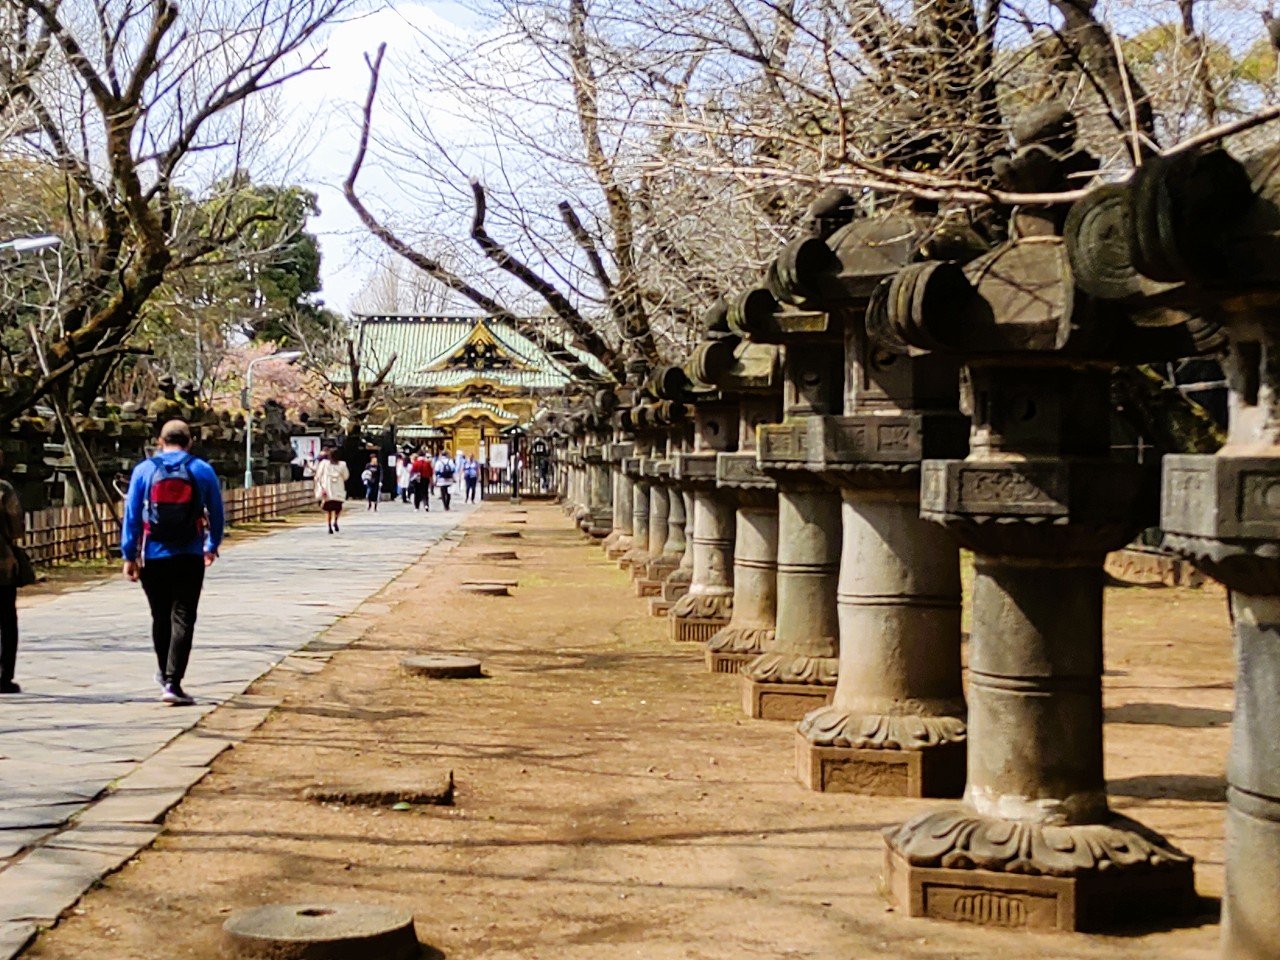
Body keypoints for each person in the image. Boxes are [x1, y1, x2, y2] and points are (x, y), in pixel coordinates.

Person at [122, 419, 225, 706]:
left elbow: (131, 516)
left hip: (154, 556)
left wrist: (129, 555)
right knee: (184, 617)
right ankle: (173, 681)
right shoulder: (201, 469)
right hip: (189, 554)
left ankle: (162, 671)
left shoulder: (144, 470)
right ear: (190, 441)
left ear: (159, 441)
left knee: (160, 616)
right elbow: (216, 512)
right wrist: (211, 545)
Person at [0, 452, 27, 694]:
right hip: (2, 565)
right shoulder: (3, 491)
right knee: (6, 620)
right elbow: (16, 527)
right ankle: (3, 675)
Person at [314, 447, 349, 534]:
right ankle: (336, 521)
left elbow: (318, 475)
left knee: (329, 510)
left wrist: (319, 485)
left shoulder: (324, 464)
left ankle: (329, 525)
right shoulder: (342, 465)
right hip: (338, 489)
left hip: (327, 489)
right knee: (338, 508)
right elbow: (346, 476)